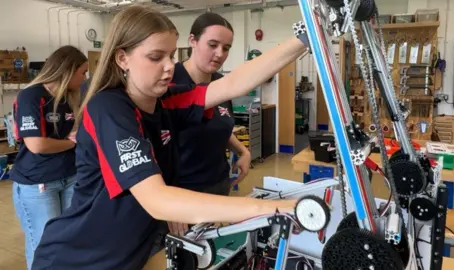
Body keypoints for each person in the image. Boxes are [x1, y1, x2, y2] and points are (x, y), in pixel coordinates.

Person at [32, 5, 308, 270]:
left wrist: (305, 36)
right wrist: (273, 208)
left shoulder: (165, 101)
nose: (168, 66)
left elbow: (233, 83)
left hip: (130, 253)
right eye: (156, 57)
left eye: (172, 56)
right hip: (77, 258)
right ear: (122, 58)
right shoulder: (109, 108)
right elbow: (157, 199)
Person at [11, 45, 87, 270]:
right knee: (44, 245)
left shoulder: (69, 97)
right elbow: (37, 145)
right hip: (39, 182)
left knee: (68, 238)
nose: (85, 78)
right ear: (68, 70)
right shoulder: (32, 96)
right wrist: (72, 143)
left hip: (69, 177)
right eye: (82, 72)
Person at [173, 13, 249, 196]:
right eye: (213, 45)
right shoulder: (171, 81)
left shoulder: (220, 83)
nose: (220, 54)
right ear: (193, 40)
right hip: (183, 190)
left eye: (226, 48)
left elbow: (218, 125)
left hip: (219, 182)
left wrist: (242, 150)